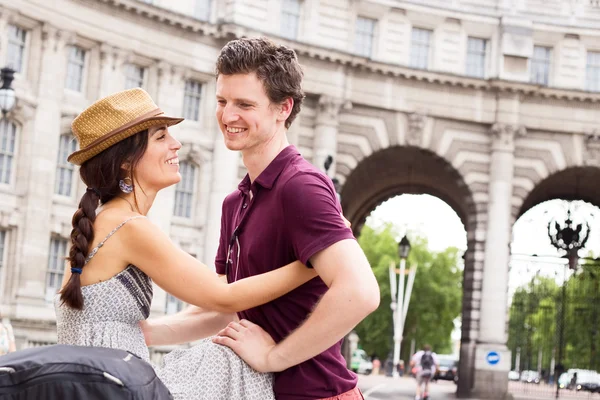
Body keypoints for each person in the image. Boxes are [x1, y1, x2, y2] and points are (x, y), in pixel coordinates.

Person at [54, 87, 321, 399]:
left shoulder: (109, 220)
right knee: (230, 360)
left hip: (104, 386)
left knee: (222, 353)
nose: (176, 144)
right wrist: (312, 263)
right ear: (126, 160)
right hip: (112, 390)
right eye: (161, 137)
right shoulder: (127, 226)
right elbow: (222, 296)